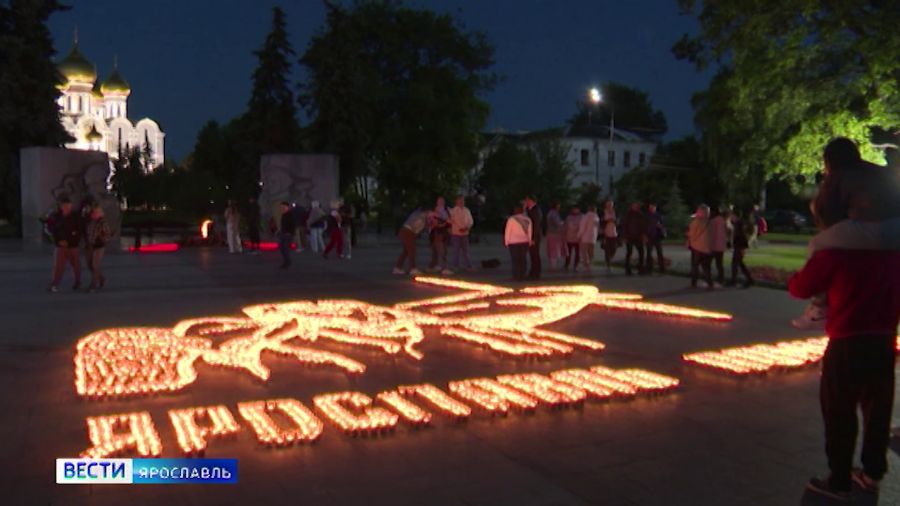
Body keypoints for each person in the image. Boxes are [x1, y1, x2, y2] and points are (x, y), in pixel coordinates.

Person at [788, 236, 900, 501]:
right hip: (883, 342)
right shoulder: (893, 254)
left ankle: (839, 480)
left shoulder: (837, 253)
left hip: (847, 342)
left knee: (839, 411)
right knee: (877, 410)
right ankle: (872, 474)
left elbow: (800, 287)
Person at [792, 137, 900, 329]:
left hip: (872, 227)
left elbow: (825, 211)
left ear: (829, 160)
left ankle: (819, 307)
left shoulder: (838, 175)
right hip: (896, 228)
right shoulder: (876, 171)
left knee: (818, 244)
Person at [48, 196, 82, 292]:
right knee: (59, 265)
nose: (66, 207)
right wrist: (59, 240)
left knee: (75, 264)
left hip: (72, 245)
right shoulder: (57, 216)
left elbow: (79, 231)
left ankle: (77, 282)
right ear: (60, 206)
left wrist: (72, 240)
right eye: (64, 205)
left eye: (68, 205)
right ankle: (55, 283)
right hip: (60, 245)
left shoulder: (76, 216)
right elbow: (53, 230)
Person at [394, 206, 429, 275]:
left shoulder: (418, 214)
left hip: (406, 232)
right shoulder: (421, 217)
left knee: (406, 251)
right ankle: (412, 269)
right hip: (408, 232)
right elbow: (416, 228)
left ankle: (397, 268)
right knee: (412, 251)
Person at [84, 204, 111, 292]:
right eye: (93, 212)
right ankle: (101, 278)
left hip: (99, 246)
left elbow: (107, 235)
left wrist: (101, 238)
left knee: (95, 265)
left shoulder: (103, 223)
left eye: (96, 212)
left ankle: (93, 284)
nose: (94, 214)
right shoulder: (91, 222)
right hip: (90, 245)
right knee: (90, 265)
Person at [687, 204, 714, 290]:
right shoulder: (710, 222)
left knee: (695, 266)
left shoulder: (696, 222)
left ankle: (694, 283)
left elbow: (691, 234)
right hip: (707, 248)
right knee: (706, 267)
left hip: (697, 247)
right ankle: (710, 283)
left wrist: (688, 237)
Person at [504, 204, 532, 281]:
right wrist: (529, 240)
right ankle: (522, 275)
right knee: (523, 259)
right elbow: (530, 231)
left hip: (513, 242)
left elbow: (508, 231)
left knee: (515, 260)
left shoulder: (511, 219)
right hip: (524, 241)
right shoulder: (527, 219)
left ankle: (516, 275)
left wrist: (506, 241)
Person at [727, 210, 754, 287]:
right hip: (740, 245)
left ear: (735, 216)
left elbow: (740, 235)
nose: (731, 217)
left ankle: (735, 281)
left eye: (732, 216)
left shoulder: (739, 224)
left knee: (735, 263)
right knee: (739, 263)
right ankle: (749, 279)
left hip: (740, 245)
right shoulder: (738, 223)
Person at [448, 196, 475, 272]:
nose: (462, 202)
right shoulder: (453, 211)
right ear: (456, 202)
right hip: (456, 233)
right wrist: (461, 228)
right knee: (456, 250)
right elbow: (453, 221)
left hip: (465, 233)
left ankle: (468, 266)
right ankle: (455, 265)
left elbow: (471, 221)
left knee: (466, 251)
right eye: (460, 201)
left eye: (463, 201)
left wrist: (467, 227)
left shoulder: (467, 210)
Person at [622, 202, 647, 276]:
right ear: (631, 206)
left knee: (641, 252)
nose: (635, 207)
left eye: (636, 206)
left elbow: (643, 225)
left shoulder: (640, 215)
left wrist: (643, 235)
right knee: (629, 253)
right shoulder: (628, 215)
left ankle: (640, 268)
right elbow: (624, 226)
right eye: (634, 206)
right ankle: (628, 269)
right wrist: (625, 236)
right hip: (630, 236)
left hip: (638, 237)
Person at [428, 197, 451, 274]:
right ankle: (443, 267)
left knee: (442, 249)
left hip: (445, 232)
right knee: (440, 250)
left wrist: (447, 223)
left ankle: (435, 266)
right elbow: (433, 223)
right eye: (440, 201)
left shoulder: (447, 210)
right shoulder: (433, 211)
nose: (441, 202)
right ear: (437, 202)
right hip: (437, 232)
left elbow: (450, 220)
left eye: (443, 201)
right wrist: (442, 223)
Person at [577, 205, 600, 273]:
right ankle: (590, 264)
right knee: (591, 252)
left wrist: (578, 235)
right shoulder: (596, 217)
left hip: (585, 237)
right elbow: (597, 228)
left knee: (584, 252)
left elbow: (582, 227)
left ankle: (586, 266)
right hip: (593, 237)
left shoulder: (586, 216)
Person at [644, 203, 666, 274]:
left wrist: (660, 226)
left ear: (655, 208)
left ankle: (662, 269)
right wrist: (645, 235)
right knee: (649, 253)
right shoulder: (647, 216)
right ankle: (649, 269)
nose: (651, 209)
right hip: (649, 236)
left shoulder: (659, 216)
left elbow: (663, 225)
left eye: (653, 207)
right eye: (650, 207)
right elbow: (644, 226)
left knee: (659, 253)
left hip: (657, 236)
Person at [524, 196, 543, 279]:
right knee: (533, 255)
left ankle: (535, 273)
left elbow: (536, 225)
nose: (526, 202)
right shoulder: (531, 210)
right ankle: (533, 272)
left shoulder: (535, 210)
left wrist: (533, 238)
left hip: (534, 236)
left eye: (527, 200)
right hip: (533, 235)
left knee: (535, 255)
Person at [709, 206, 728, 285]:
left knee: (707, 262)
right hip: (721, 245)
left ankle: (709, 277)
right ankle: (721, 278)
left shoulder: (713, 221)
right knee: (719, 263)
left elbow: (712, 234)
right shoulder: (723, 220)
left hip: (714, 246)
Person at [544, 202, 565, 270]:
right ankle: (553, 265)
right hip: (555, 233)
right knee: (554, 249)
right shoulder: (554, 214)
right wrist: (563, 223)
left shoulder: (549, 213)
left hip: (550, 232)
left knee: (551, 248)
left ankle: (552, 263)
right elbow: (558, 223)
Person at [601, 200, 618, 274]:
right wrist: (607, 221)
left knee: (614, 248)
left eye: (611, 205)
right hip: (606, 233)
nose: (610, 206)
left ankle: (610, 259)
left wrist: (615, 221)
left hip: (614, 233)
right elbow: (601, 222)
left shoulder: (615, 212)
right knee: (607, 249)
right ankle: (608, 264)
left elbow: (618, 221)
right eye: (608, 205)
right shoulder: (603, 212)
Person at [563, 206, 582, 271]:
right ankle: (567, 264)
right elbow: (565, 226)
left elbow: (582, 227)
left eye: (576, 209)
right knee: (568, 252)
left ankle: (575, 265)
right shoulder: (568, 217)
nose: (575, 210)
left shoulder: (581, 217)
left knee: (577, 253)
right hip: (569, 237)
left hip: (578, 238)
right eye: (573, 209)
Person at [277, 202, 295, 269]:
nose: (282, 209)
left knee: (285, 248)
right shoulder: (284, 215)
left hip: (288, 234)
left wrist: (290, 232)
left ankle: (287, 262)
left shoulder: (290, 214)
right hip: (283, 233)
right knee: (282, 248)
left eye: (283, 207)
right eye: (281, 207)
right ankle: (286, 262)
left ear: (287, 207)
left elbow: (293, 224)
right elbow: (283, 225)